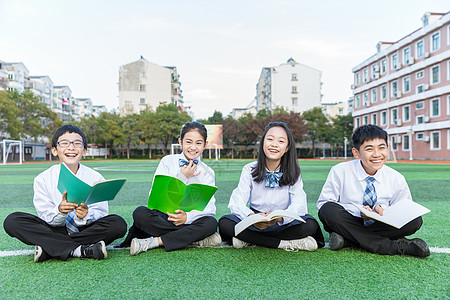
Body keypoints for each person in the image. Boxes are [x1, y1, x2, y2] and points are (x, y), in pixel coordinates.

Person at [3, 124, 127, 262]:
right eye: (64, 143)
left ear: (84, 150)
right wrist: (60, 211)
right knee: (12, 221)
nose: (71, 147)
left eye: (77, 143)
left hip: (84, 229)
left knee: (118, 224)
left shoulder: (96, 177)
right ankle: (80, 250)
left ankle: (50, 247)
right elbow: (45, 216)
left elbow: (101, 213)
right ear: (55, 150)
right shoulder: (42, 179)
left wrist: (86, 215)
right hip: (54, 228)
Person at [317, 124, 430, 258]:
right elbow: (324, 204)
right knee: (328, 210)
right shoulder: (340, 171)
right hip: (350, 221)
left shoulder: (396, 178)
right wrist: (359, 212)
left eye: (381, 148)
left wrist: (382, 211)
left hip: (380, 224)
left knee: (414, 220)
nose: (377, 154)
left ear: (387, 148)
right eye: (369, 149)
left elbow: (403, 209)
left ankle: (348, 240)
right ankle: (394, 247)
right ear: (356, 153)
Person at [117, 121, 221, 255]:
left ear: (205, 145)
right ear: (180, 142)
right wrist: (182, 178)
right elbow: (154, 196)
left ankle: (156, 241)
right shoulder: (167, 161)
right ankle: (193, 239)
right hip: (164, 218)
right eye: (188, 142)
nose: (193, 147)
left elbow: (210, 208)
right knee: (140, 213)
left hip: (189, 221)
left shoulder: (208, 172)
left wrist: (186, 217)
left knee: (211, 223)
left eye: (198, 143)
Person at [219, 122, 324, 251]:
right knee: (225, 222)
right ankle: (285, 244)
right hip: (254, 222)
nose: (274, 144)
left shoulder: (294, 171)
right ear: (263, 143)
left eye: (281, 141)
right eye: (270, 139)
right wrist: (251, 216)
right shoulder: (249, 169)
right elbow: (237, 202)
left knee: (310, 224)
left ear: (287, 148)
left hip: (282, 222)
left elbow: (299, 204)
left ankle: (250, 240)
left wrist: (280, 217)